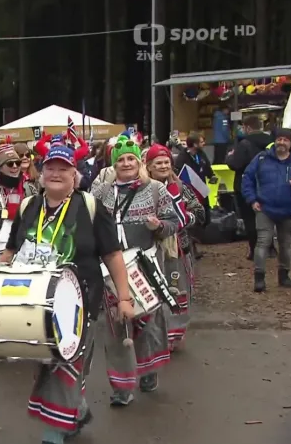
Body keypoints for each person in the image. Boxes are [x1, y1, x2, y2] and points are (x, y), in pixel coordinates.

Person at [0, 147, 134, 444]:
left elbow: (112, 254)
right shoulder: (28, 206)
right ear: (41, 173)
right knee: (43, 363)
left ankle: (55, 431)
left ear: (75, 174)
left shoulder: (91, 207)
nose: (56, 174)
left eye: (63, 168)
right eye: (50, 168)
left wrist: (124, 298)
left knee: (66, 363)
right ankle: (76, 409)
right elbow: (10, 249)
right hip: (32, 302)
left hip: (78, 301)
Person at [91, 137, 177, 405]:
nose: (125, 164)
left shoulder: (155, 190)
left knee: (148, 323)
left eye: (130, 159)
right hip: (111, 270)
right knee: (117, 325)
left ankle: (148, 370)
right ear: (113, 164)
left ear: (138, 162)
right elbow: (89, 220)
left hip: (145, 265)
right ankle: (122, 386)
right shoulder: (102, 192)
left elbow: (174, 221)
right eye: (120, 160)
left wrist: (159, 226)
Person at [145, 145, 205, 351]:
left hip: (179, 247)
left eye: (166, 162)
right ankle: (157, 335)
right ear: (149, 167)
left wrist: (184, 219)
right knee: (156, 292)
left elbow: (200, 211)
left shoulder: (180, 187)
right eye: (158, 163)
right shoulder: (144, 190)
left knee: (179, 290)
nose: (163, 166)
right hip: (152, 249)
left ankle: (175, 336)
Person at [241, 128, 291, 292]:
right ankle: (259, 278)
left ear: (290, 143)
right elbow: (247, 177)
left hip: (289, 210)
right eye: (279, 139)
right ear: (274, 141)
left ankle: (284, 276)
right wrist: (252, 199)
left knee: (286, 244)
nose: (281, 143)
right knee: (262, 242)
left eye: (285, 140)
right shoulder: (261, 158)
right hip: (265, 208)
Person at [226, 115, 272, 260]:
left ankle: (255, 250)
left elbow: (235, 164)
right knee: (268, 218)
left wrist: (230, 156)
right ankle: (270, 248)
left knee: (250, 219)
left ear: (247, 128)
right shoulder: (271, 142)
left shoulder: (244, 144)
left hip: (246, 186)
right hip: (268, 184)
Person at [174, 132, 216, 259]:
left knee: (203, 217)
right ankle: (191, 247)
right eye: (202, 141)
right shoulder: (182, 158)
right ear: (195, 144)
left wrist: (211, 175)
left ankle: (195, 242)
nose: (204, 144)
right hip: (188, 194)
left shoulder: (201, 155)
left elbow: (207, 167)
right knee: (191, 220)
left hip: (201, 192)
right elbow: (179, 174)